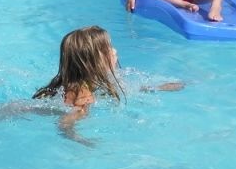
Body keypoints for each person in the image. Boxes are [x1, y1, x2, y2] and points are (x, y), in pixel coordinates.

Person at [33, 26, 183, 142]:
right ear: (95, 61)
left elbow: (128, 88)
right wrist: (78, 139)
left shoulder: (92, 80)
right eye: (109, 48)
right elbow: (69, 118)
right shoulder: (82, 92)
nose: (115, 51)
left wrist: (158, 88)